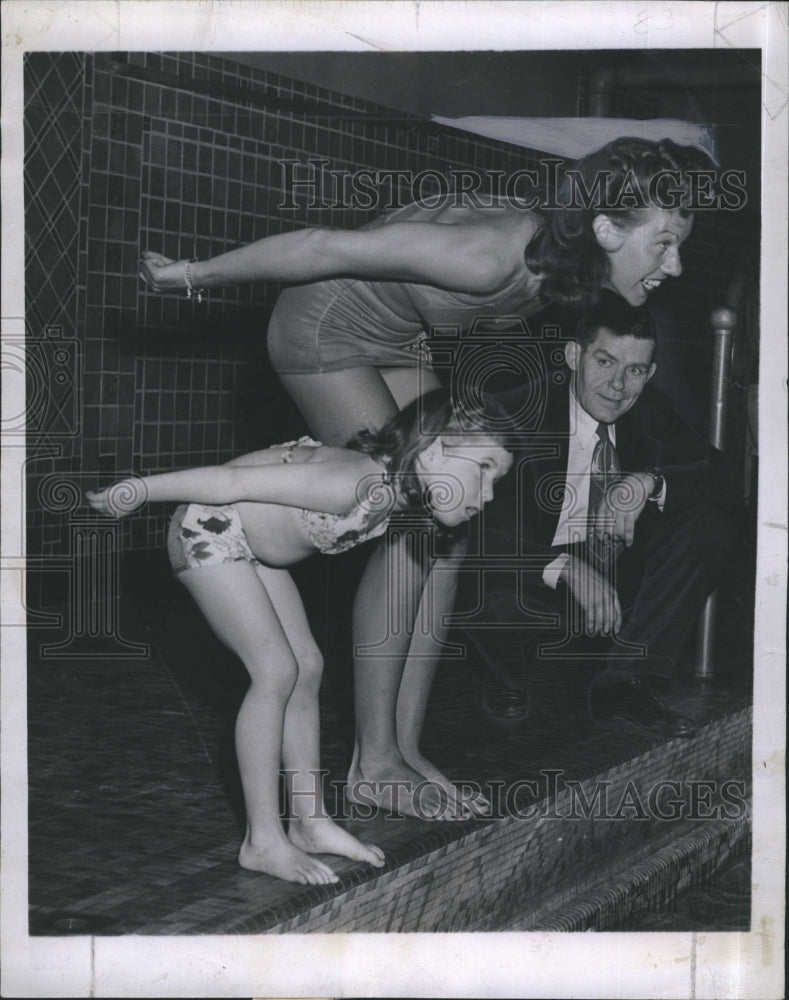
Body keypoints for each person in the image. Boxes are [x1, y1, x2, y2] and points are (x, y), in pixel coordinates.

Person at [139, 137, 715, 814]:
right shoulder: (486, 256)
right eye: (664, 243)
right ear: (606, 230)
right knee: (410, 523)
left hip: (392, 341)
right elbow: (323, 247)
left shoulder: (568, 254)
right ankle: (372, 764)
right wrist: (191, 275)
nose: (673, 266)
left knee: (450, 526)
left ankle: (403, 754)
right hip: (323, 332)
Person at [86, 390, 513, 882]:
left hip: (251, 548)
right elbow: (228, 481)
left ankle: (310, 823)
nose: (488, 494)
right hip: (209, 530)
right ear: (435, 451)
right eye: (482, 468)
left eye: (496, 478)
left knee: (307, 667)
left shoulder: (394, 494)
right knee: (275, 672)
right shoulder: (357, 480)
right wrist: (138, 490)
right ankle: (262, 841)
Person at [459, 294, 737, 735]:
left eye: (635, 371)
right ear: (574, 355)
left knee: (710, 524)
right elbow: (463, 531)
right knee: (488, 595)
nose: (618, 386)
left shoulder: (649, 411)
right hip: (526, 577)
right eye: (605, 362)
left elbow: (729, 477)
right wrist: (564, 566)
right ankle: (505, 675)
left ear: (651, 374)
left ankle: (623, 681)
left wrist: (648, 482)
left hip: (610, 571)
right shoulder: (510, 411)